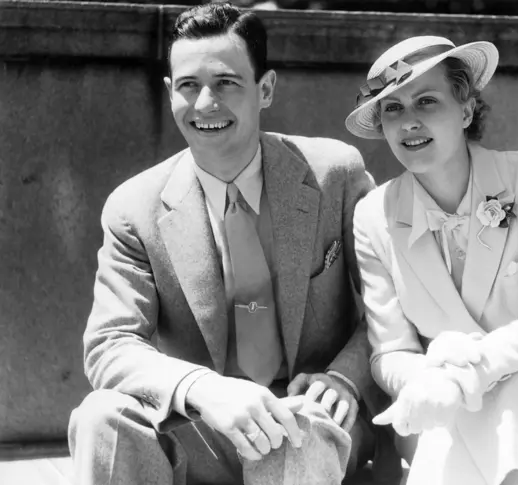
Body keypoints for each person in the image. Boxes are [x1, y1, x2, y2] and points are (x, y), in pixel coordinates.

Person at [67, 3, 401, 485]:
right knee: (101, 416)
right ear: (169, 92)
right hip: (203, 419)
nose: (205, 104)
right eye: (188, 86)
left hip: (312, 415)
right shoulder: (133, 208)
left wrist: (345, 377)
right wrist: (204, 390)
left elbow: (389, 302)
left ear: (265, 89)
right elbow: (109, 344)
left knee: (297, 430)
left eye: (226, 83)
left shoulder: (335, 174)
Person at [346, 36, 518, 485]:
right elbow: (390, 351)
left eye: (426, 101)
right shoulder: (373, 214)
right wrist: (431, 381)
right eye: (393, 108)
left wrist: (469, 371)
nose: (409, 122)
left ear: (466, 109)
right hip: (440, 412)